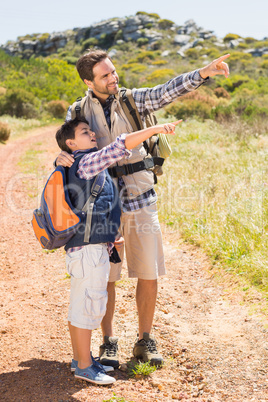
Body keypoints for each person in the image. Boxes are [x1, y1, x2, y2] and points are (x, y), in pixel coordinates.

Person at [55, 49, 230, 368]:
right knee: (107, 275)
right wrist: (60, 159)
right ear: (88, 81)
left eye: (113, 71)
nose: (113, 78)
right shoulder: (77, 110)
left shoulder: (134, 100)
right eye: (104, 75)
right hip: (103, 205)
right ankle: (108, 342)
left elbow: (167, 90)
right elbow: (71, 149)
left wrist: (203, 73)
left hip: (141, 197)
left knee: (148, 271)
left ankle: (145, 340)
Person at [55, 116, 180, 384]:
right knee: (86, 306)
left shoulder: (79, 163)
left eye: (91, 130)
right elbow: (120, 145)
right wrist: (156, 129)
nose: (93, 134)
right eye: (85, 132)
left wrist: (111, 239)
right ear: (70, 143)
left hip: (91, 246)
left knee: (85, 303)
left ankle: (81, 359)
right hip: (88, 250)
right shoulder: (87, 161)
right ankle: (85, 367)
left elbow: (96, 208)